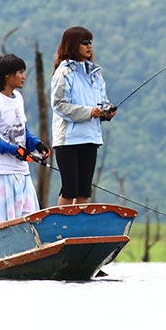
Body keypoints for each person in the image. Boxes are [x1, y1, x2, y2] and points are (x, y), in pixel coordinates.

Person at [0, 53, 49, 223]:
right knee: (4, 223)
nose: (24, 77)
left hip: (22, 171)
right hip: (1, 172)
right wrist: (14, 150)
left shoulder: (18, 99)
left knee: (32, 219)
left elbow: (22, 131)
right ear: (7, 75)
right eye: (20, 72)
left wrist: (37, 144)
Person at [50, 26, 116, 206]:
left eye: (90, 42)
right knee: (69, 188)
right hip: (68, 140)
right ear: (72, 45)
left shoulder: (95, 74)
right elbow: (59, 105)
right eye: (84, 42)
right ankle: (63, 227)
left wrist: (106, 112)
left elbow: (102, 101)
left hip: (91, 137)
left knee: (84, 190)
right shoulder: (63, 73)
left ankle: (79, 230)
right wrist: (88, 112)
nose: (89, 46)